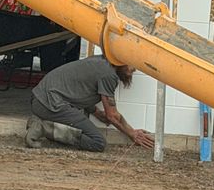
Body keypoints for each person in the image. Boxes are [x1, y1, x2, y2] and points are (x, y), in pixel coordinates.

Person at [25, 53, 153, 152]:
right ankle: (43, 127)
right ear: (120, 60)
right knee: (97, 142)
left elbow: (78, 89)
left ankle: (43, 123)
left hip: (42, 100)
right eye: (132, 63)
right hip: (49, 104)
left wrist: (96, 112)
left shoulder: (101, 62)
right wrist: (132, 133)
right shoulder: (109, 75)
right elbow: (112, 116)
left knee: (82, 126)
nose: (134, 69)